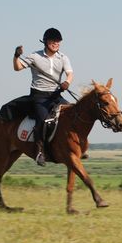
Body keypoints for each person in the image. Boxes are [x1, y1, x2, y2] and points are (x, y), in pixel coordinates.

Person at [13, 27, 73, 166]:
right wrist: (16, 56)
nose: (56, 43)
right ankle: (40, 151)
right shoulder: (35, 56)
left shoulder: (63, 58)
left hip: (56, 95)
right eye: (53, 41)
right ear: (46, 42)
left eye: (58, 41)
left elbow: (70, 73)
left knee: (71, 113)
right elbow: (17, 68)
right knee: (43, 120)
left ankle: (73, 146)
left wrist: (67, 82)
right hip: (39, 96)